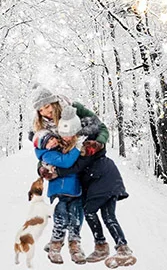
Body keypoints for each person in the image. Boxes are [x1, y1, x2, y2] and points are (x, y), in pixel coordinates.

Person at [31, 87, 109, 264]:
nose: (45, 112)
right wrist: (41, 168)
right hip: (62, 171)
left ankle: (74, 244)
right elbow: (42, 151)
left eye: (46, 106)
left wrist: (96, 143)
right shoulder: (41, 127)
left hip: (82, 165)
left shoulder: (73, 109)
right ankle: (56, 242)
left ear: (54, 102)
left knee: (78, 205)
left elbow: (101, 128)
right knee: (62, 205)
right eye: (40, 110)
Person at [71, 115, 136, 267]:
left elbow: (77, 166)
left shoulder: (85, 147)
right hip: (111, 178)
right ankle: (123, 248)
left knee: (89, 211)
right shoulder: (93, 142)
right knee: (108, 216)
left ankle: (101, 246)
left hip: (101, 178)